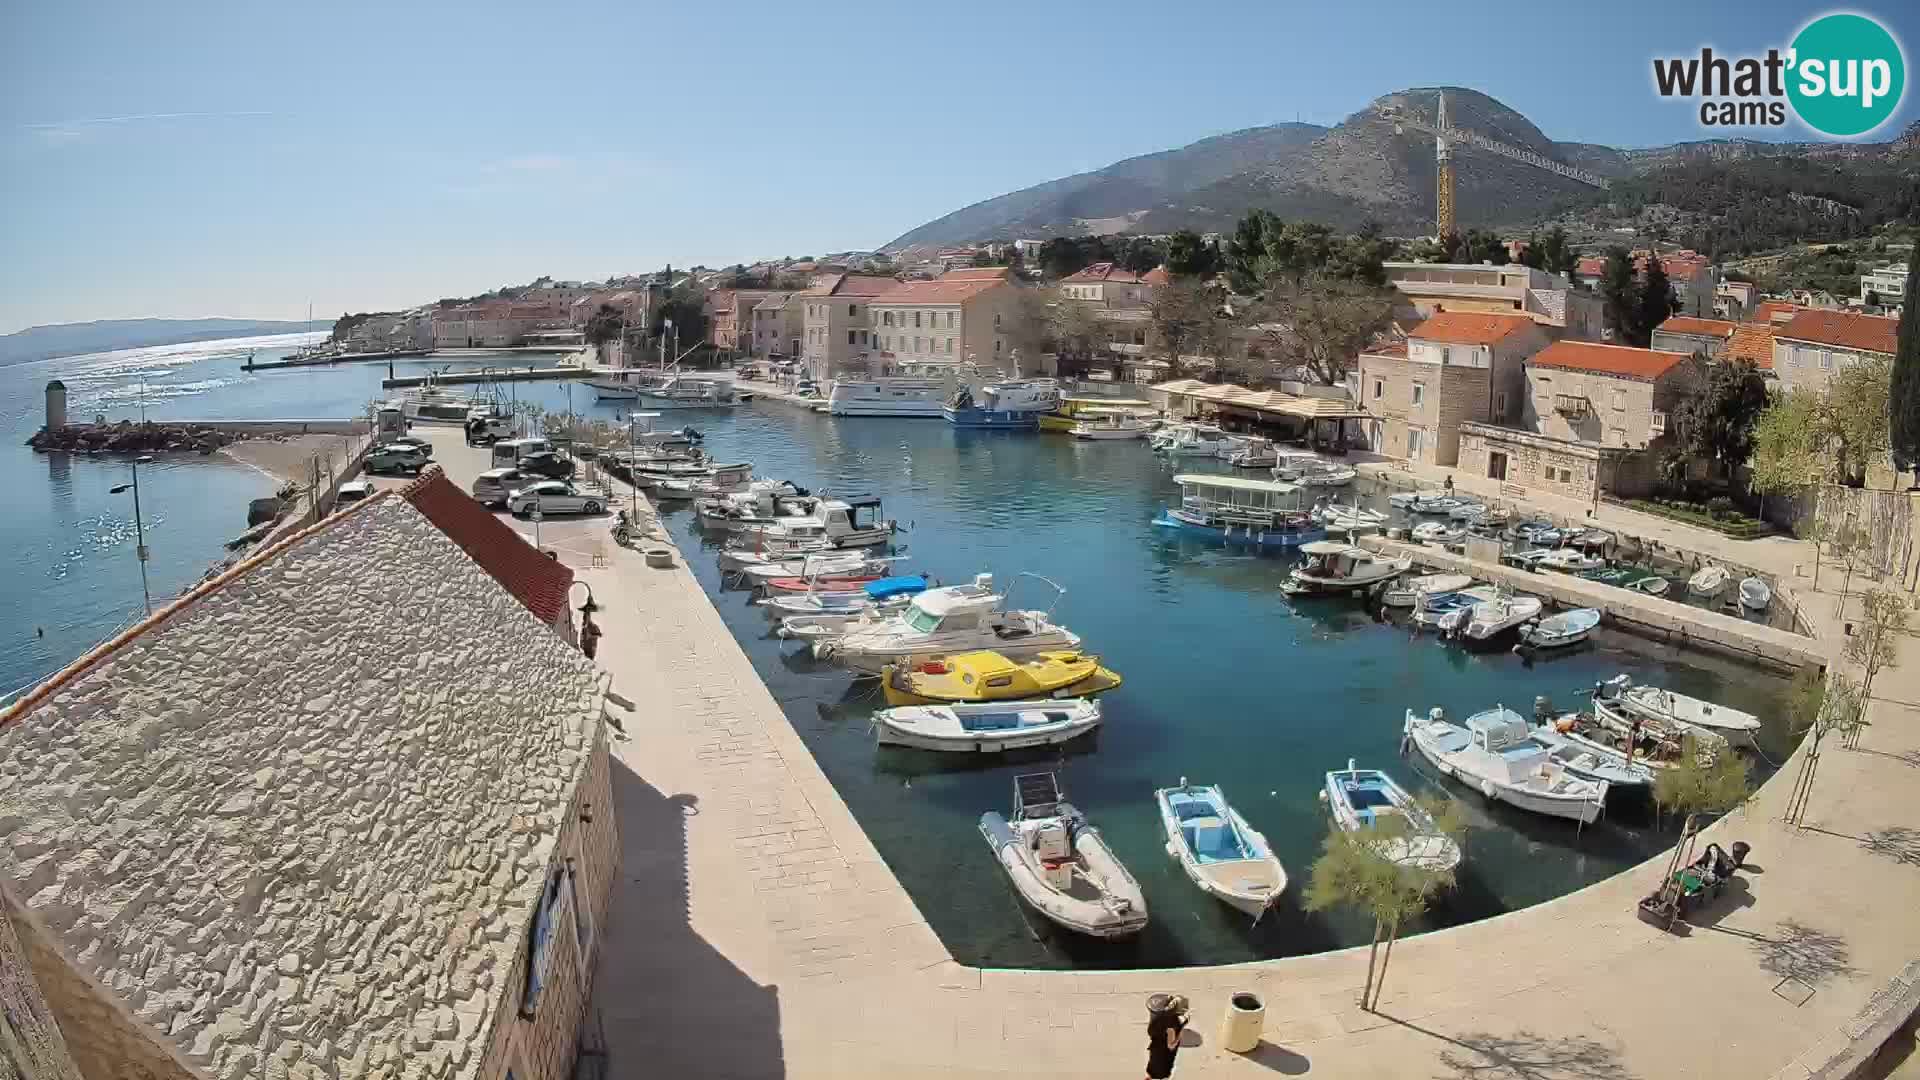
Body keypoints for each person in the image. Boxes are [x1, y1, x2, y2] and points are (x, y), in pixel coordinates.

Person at [1145, 993, 1189, 1079]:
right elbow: (1171, 1046)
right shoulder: (1171, 1025)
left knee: (1152, 1071)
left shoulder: (1161, 1014)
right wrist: (1180, 1033)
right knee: (1162, 1074)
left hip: (1155, 1049)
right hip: (1163, 1055)